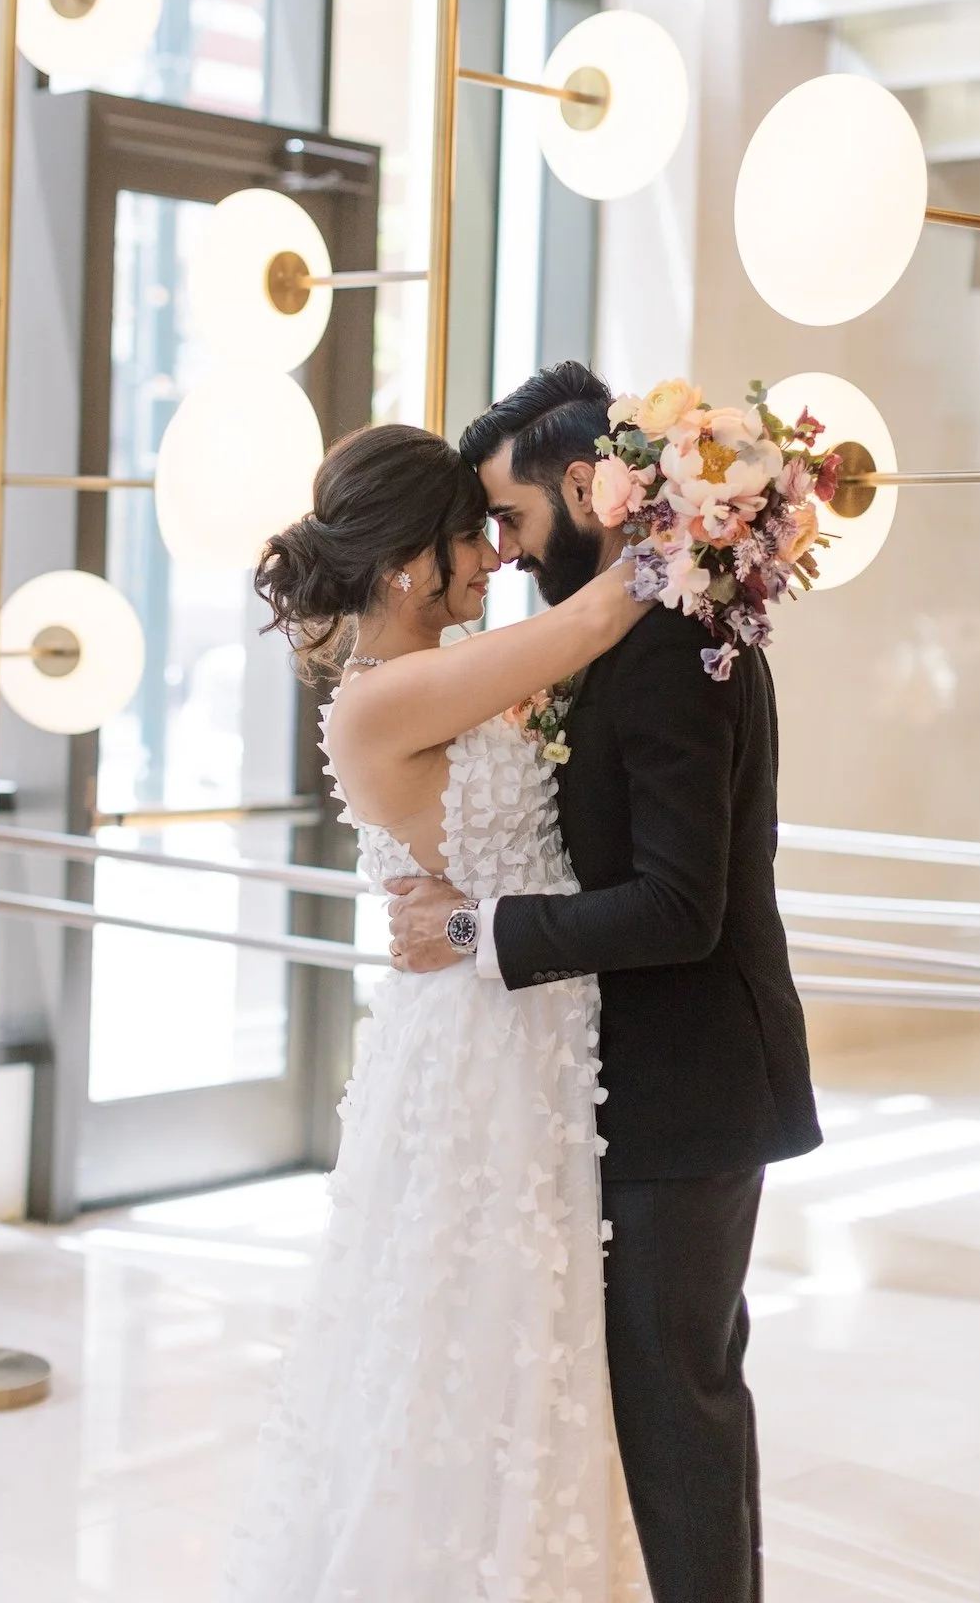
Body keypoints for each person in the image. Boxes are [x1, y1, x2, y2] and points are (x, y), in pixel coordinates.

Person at [388, 361, 823, 1603]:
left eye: (513, 520)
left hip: (689, 1089)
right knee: (665, 1394)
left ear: (586, 486)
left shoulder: (676, 645)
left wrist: (478, 927)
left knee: (674, 1401)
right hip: (627, 1084)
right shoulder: (624, 635)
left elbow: (683, 908)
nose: (508, 554)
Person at [220, 419, 653, 1602]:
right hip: (479, 1047)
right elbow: (589, 621)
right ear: (412, 557)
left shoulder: (452, 670)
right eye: (473, 533)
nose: (491, 556)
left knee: (531, 1340)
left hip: (533, 1022)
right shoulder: (374, 700)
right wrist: (708, 503)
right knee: (465, 1335)